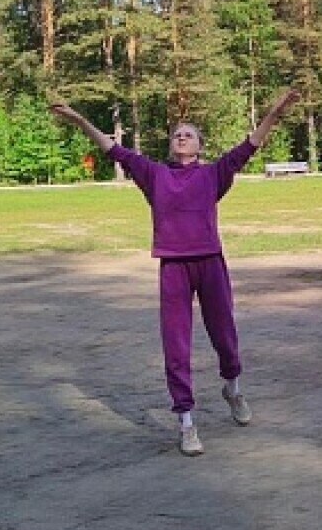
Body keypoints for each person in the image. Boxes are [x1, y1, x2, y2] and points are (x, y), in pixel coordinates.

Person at [51, 90, 299, 457]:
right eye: (176, 134)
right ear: (172, 146)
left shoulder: (214, 173)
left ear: (199, 145)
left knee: (225, 338)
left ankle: (232, 388)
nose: (181, 137)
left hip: (210, 264)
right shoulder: (154, 174)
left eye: (188, 134)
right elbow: (111, 149)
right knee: (176, 346)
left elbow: (252, 144)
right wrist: (79, 120)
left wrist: (275, 112)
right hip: (173, 268)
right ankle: (186, 423)